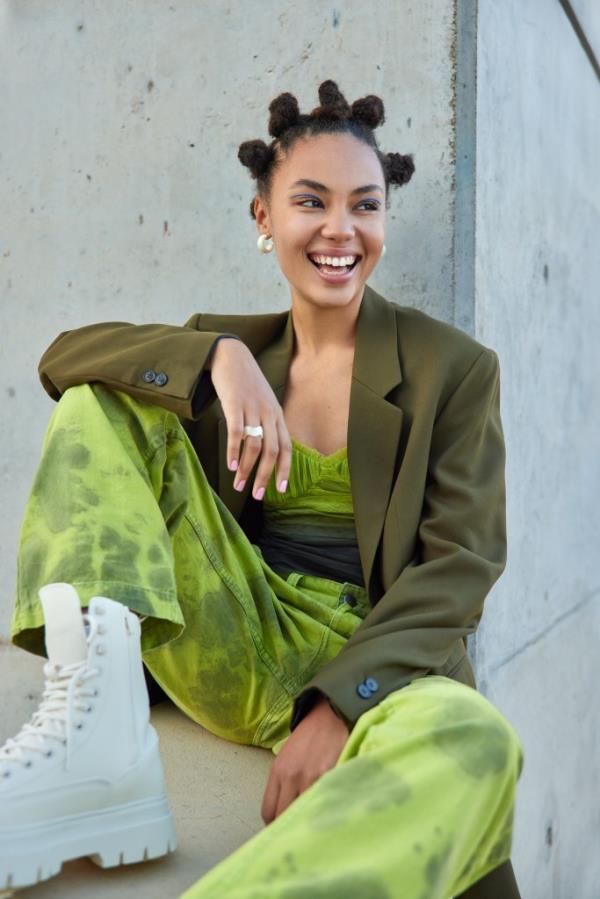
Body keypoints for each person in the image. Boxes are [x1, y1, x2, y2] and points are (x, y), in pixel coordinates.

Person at [0, 79, 524, 898]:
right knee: (100, 403)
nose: (340, 229)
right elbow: (64, 358)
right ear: (264, 219)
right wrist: (215, 358)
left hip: (379, 657)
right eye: (310, 201)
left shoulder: (451, 368)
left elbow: (462, 566)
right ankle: (88, 737)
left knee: (479, 738)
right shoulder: (226, 342)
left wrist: (342, 701)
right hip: (239, 622)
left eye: (366, 205)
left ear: (385, 219)